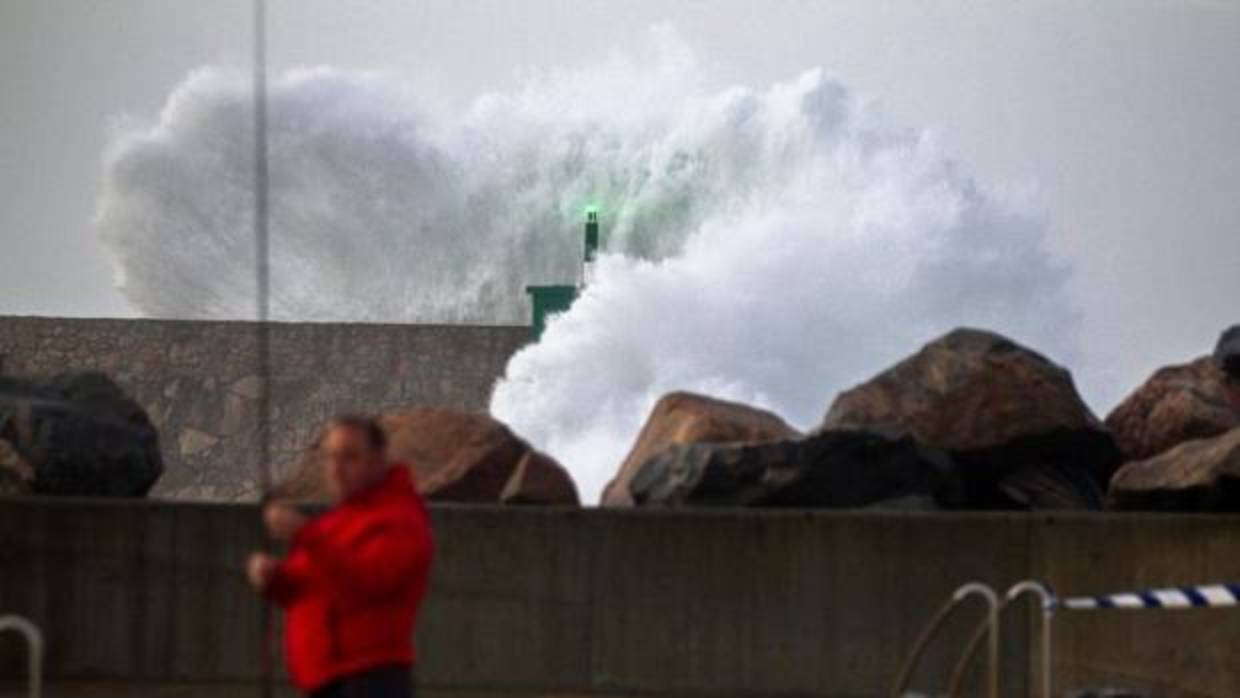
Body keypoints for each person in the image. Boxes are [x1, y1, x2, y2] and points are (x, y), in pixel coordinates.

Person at [246, 415, 434, 698]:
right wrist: (274, 579)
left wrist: (305, 536)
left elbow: (369, 582)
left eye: (350, 458)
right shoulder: (336, 523)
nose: (336, 469)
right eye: (331, 458)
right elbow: (311, 588)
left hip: (369, 679)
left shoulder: (400, 520)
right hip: (330, 678)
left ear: (379, 460)